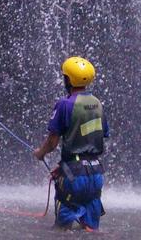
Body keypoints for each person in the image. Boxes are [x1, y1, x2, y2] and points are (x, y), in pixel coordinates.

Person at [33, 57, 108, 231]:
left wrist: (40, 153)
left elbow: (52, 142)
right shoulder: (97, 104)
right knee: (90, 230)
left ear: (69, 80)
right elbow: (90, 140)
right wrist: (62, 167)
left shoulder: (65, 104)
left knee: (62, 229)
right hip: (96, 173)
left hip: (74, 176)